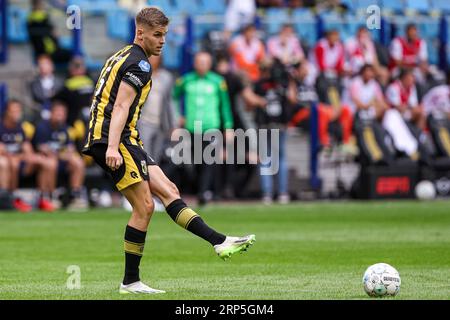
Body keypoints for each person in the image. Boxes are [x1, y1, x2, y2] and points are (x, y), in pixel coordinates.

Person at [82, 8, 255, 294]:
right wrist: (112, 146)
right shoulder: (140, 64)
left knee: (170, 190)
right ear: (141, 33)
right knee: (145, 206)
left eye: (164, 35)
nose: (162, 41)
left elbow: (104, 98)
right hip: (116, 139)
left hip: (123, 138)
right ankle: (130, 281)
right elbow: (121, 106)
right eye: (157, 35)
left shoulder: (122, 55)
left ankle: (219, 241)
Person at [173, 51, 234, 204]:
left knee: (209, 161)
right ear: (195, 63)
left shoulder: (218, 81)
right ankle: (199, 189)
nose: (202, 65)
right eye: (199, 62)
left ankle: (203, 193)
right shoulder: (185, 80)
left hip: (211, 126)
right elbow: (173, 98)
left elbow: (225, 105)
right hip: (192, 128)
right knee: (192, 162)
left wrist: (228, 126)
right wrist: (177, 116)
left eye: (205, 62)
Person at [0, 100, 57, 212]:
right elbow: (3, 152)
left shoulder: (20, 128)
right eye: (14, 111)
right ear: (7, 112)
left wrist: (35, 157)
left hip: (19, 161)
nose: (17, 114)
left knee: (48, 162)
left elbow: (28, 151)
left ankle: (45, 198)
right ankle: (8, 198)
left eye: (19, 111)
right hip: (7, 163)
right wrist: (19, 156)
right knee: (7, 162)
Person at [33, 101, 88, 210]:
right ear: (51, 113)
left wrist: (65, 154)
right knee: (51, 162)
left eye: (62, 114)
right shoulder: (42, 127)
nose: (60, 116)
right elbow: (42, 148)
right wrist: (60, 154)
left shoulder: (65, 129)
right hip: (45, 160)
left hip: (62, 159)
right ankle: (49, 196)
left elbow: (70, 148)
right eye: (58, 113)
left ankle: (75, 196)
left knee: (78, 162)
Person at [251, 58, 291, 204]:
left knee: (276, 158)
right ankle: (272, 192)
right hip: (266, 124)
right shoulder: (264, 85)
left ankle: (278, 192)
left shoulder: (278, 84)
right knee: (270, 158)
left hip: (276, 124)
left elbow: (291, 99)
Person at [137, 55, 175, 164]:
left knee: (156, 157)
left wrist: (173, 124)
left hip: (160, 123)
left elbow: (170, 102)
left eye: (155, 58)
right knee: (145, 155)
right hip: (144, 121)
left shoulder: (166, 77)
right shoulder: (140, 75)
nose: (153, 60)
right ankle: (145, 179)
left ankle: (152, 180)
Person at [55, 57, 95, 150]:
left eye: (80, 66)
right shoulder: (67, 84)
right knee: (78, 130)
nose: (78, 69)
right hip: (74, 120)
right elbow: (58, 101)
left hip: (91, 116)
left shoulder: (91, 81)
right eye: (76, 66)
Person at [29, 54, 64, 121]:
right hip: (40, 118)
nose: (42, 66)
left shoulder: (60, 82)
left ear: (52, 66)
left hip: (59, 117)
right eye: (40, 64)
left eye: (45, 64)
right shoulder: (33, 84)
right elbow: (33, 103)